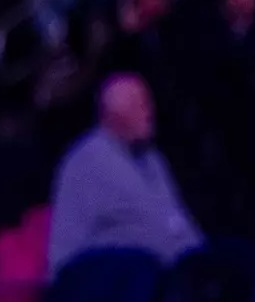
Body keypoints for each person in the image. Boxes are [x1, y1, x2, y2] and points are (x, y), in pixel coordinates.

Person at [46, 73, 202, 276]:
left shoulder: (152, 159)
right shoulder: (88, 161)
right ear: (111, 116)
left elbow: (175, 218)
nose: (149, 113)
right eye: (139, 105)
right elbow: (66, 252)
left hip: (177, 278)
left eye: (148, 103)